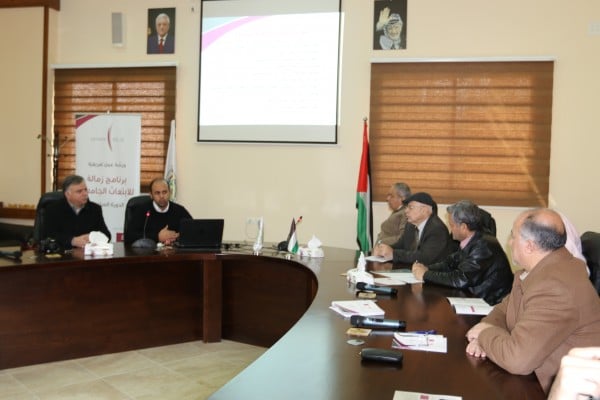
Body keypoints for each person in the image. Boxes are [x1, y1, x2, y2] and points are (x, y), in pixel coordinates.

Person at [465, 208, 600, 394]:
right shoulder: (541, 269)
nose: (510, 242)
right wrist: (487, 327)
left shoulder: (556, 287)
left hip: (558, 391)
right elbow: (504, 310)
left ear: (529, 246)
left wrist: (484, 335)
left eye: (513, 236)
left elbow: (517, 359)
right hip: (533, 380)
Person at [412, 200, 513, 305]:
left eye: (452, 225)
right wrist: (427, 268)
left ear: (464, 227)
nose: (450, 230)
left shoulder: (483, 246)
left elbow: (461, 279)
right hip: (473, 296)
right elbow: (450, 263)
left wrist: (425, 275)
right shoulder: (472, 237)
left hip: (491, 304)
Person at [373, 192, 458, 265]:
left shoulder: (437, 229)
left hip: (433, 273)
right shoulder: (410, 225)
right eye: (406, 207)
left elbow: (424, 257)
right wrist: (384, 249)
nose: (406, 211)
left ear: (424, 210)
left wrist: (394, 254)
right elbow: (400, 245)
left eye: (411, 207)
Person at [44, 175, 111, 249]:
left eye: (85, 190)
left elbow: (107, 235)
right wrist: (72, 241)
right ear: (68, 194)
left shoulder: (95, 209)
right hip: (63, 253)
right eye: (79, 191)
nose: (85, 194)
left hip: (87, 253)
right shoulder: (53, 210)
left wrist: (92, 237)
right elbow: (48, 236)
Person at [124, 178, 191, 246]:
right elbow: (129, 237)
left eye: (164, 192)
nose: (161, 196)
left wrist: (177, 237)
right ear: (151, 195)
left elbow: (193, 232)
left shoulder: (179, 210)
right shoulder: (142, 210)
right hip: (148, 252)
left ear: (170, 192)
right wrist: (157, 237)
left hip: (173, 251)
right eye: (157, 193)